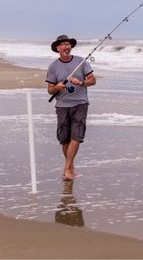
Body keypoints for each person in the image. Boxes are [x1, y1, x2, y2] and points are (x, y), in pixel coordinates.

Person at [46, 35, 96, 180]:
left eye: (68, 44)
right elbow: (50, 90)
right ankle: (71, 167)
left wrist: (81, 83)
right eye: (63, 44)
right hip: (62, 105)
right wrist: (57, 87)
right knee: (65, 139)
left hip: (80, 103)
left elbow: (92, 80)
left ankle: (67, 167)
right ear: (58, 48)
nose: (66, 46)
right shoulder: (53, 66)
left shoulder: (81, 62)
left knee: (76, 136)